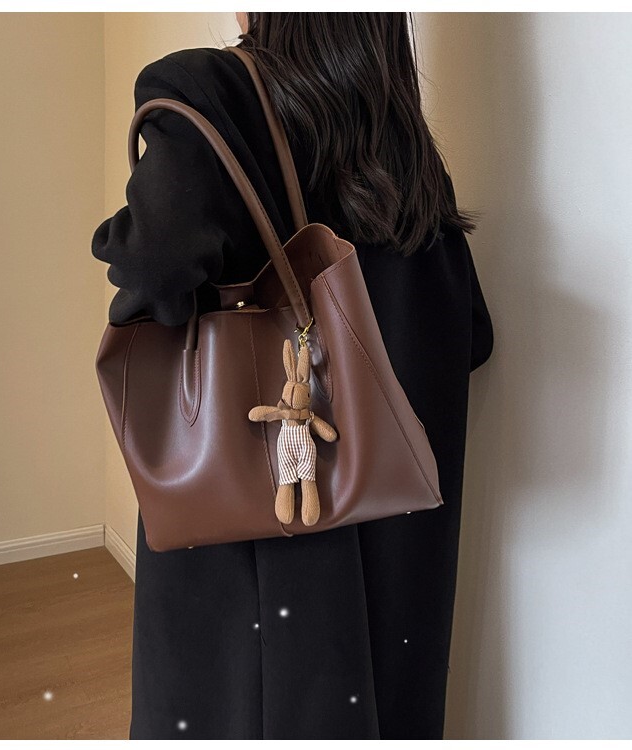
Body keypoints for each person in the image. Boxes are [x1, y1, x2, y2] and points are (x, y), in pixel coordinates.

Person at [91, 12, 494, 740]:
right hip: (397, 539)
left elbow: (155, 265)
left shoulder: (209, 92)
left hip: (254, 521)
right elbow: (469, 334)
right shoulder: (398, 137)